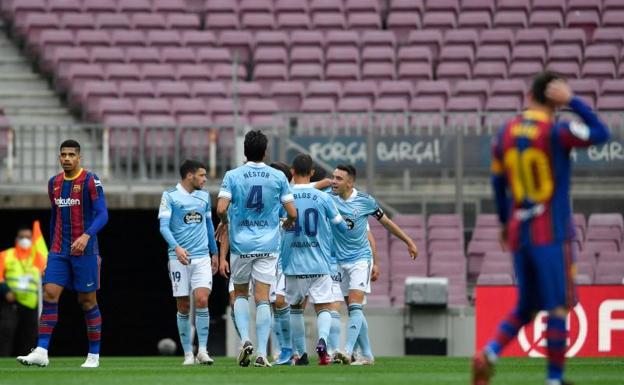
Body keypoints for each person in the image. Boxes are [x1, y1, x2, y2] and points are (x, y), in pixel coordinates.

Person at [472, 73, 610, 385]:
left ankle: (489, 353)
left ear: (529, 95)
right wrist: (572, 101)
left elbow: (497, 183)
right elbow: (602, 134)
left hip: (521, 231)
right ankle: (554, 380)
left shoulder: (505, 133)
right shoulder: (556, 130)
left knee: (526, 307)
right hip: (553, 231)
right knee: (558, 307)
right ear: (554, 98)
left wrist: (505, 223)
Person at [18, 139, 108, 368]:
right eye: (63, 155)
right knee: (49, 294)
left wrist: (87, 235)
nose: (66, 158)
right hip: (59, 250)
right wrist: (50, 252)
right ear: (59, 157)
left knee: (87, 301)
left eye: (71, 155)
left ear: (79, 157)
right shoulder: (54, 183)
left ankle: (94, 355)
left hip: (86, 251)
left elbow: (102, 214)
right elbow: (54, 218)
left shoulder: (90, 180)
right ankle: (41, 351)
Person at [216, 130, 297, 367]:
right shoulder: (278, 177)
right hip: (268, 246)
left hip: (241, 245)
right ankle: (262, 352)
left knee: (240, 294)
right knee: (263, 299)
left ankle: (246, 341)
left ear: (244, 151)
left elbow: (221, 207)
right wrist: (289, 221)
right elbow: (292, 213)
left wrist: (224, 221)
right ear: (265, 151)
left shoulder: (232, 175)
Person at [331, 164, 418, 365]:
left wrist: (408, 241)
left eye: (338, 178)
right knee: (354, 309)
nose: (334, 181)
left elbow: (386, 222)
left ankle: (347, 351)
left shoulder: (365, 201)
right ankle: (368, 354)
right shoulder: (328, 197)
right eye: (333, 177)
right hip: (338, 261)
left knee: (354, 306)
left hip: (360, 260)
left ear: (350, 182)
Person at [281, 154, 348, 366]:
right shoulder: (324, 197)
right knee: (324, 308)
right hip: (320, 262)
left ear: (292, 172)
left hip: (293, 262)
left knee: (295, 308)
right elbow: (341, 225)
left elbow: (278, 222)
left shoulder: (285, 196)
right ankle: (322, 342)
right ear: (311, 172)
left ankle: (300, 354)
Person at [158, 160, 219, 366]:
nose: (205, 179)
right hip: (178, 258)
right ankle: (187, 354)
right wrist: (176, 247)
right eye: (202, 175)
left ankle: (202, 350)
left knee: (202, 300)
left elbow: (209, 225)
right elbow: (164, 227)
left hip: (202, 257)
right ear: (189, 176)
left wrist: (215, 252)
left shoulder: (204, 196)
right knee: (183, 305)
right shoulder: (169, 196)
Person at [0, 225, 47, 356]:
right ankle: (2, 360)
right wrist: (5, 291)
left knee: (30, 335)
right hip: (11, 300)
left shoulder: (38, 257)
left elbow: (45, 277)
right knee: (6, 331)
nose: (24, 240)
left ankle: (27, 360)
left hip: (32, 302)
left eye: (28, 237)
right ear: (16, 239)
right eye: (22, 237)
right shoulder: (5, 255)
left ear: (33, 239)